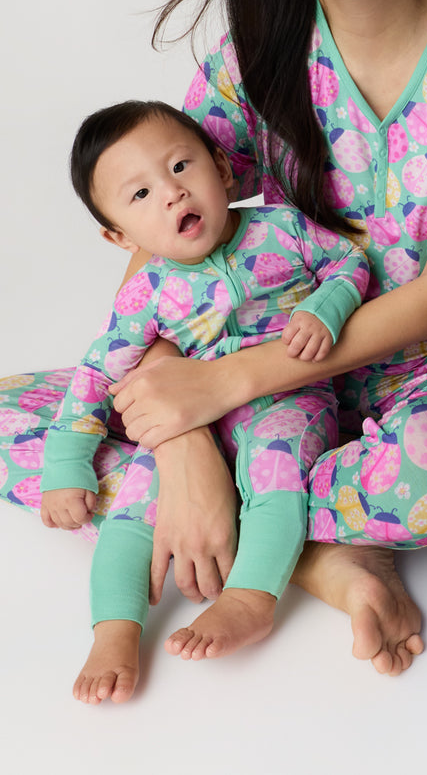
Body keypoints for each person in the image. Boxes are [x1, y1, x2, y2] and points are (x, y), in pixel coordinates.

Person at [0, 0, 427, 677]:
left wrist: (223, 388)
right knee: (21, 431)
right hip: (254, 384)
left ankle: (286, 551)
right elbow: (168, 229)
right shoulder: (256, 59)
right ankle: (289, 537)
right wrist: (184, 432)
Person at [43, 100, 369, 702]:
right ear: (118, 236)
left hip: (286, 395)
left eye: (180, 167)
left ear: (221, 167)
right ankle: (114, 630)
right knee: (135, 501)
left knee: (278, 472)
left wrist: (326, 307)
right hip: (194, 416)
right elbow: (95, 375)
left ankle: (250, 598)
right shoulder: (147, 293)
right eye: (140, 195)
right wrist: (66, 464)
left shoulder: (280, 227)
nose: (171, 194)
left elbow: (349, 261)